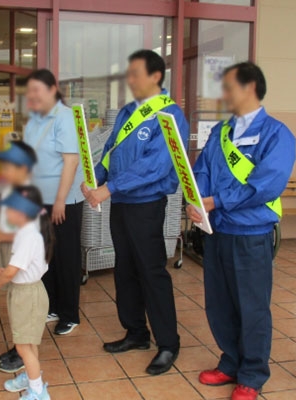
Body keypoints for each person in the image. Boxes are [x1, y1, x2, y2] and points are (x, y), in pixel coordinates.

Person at [187, 62, 296, 400]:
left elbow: (266, 185)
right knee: (219, 303)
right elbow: (202, 168)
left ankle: (252, 373)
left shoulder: (277, 134)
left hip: (251, 236)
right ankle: (230, 361)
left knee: (251, 306)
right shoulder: (221, 132)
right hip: (217, 232)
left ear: (250, 88)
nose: (224, 95)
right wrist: (197, 199)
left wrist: (215, 201)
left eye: (229, 87)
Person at [82, 49, 189, 375]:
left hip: (146, 205)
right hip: (122, 205)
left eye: (135, 74)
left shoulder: (170, 115)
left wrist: (108, 188)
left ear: (155, 76)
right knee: (124, 268)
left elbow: (156, 166)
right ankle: (136, 333)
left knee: (151, 271)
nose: (130, 81)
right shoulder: (129, 111)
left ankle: (168, 343)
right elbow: (111, 153)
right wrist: (95, 179)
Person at [23, 69, 84, 336]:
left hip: (64, 200)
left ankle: (69, 314)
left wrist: (60, 200)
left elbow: (71, 161)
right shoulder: (33, 120)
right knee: (46, 254)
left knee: (66, 256)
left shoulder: (65, 117)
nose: (33, 95)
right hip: (39, 199)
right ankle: (53, 305)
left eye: (37, 90)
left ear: (52, 89)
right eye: (30, 91)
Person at [0, 185, 54, 400]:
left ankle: (37, 392)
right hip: (27, 292)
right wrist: (5, 272)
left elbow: (13, 270)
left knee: (24, 346)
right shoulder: (30, 233)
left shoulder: (28, 236)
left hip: (27, 296)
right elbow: (19, 268)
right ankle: (31, 378)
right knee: (28, 343)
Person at [0, 140, 38, 373]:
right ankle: (20, 345)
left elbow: (26, 233)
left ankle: (23, 350)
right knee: (14, 302)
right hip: (9, 247)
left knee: (22, 305)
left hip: (20, 255)